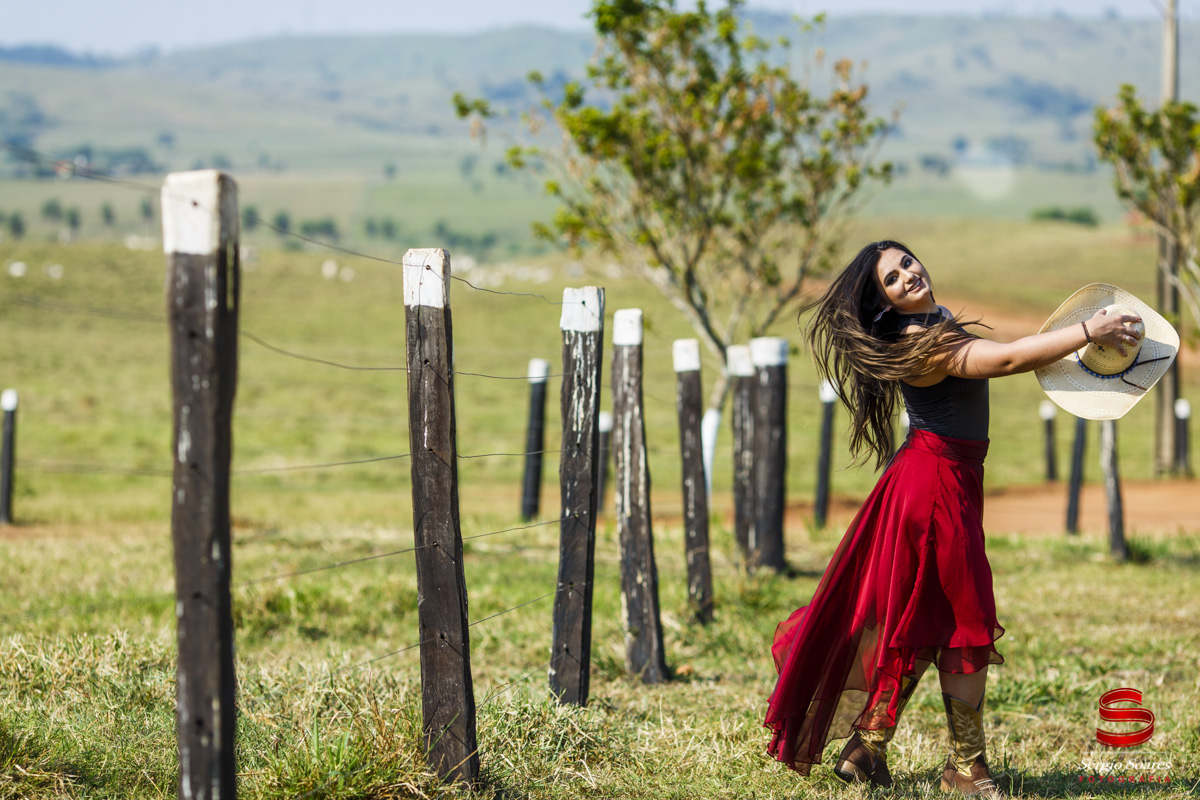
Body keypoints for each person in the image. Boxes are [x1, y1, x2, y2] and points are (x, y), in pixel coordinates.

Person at [763, 241, 1143, 798]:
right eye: (892, 279)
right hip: (933, 488)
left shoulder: (933, 322)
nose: (907, 275)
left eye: (907, 262)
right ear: (885, 303)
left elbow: (1014, 355)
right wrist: (1091, 330)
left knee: (925, 616)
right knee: (967, 621)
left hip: (940, 480)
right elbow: (1007, 360)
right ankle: (967, 767)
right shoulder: (920, 341)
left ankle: (867, 746)